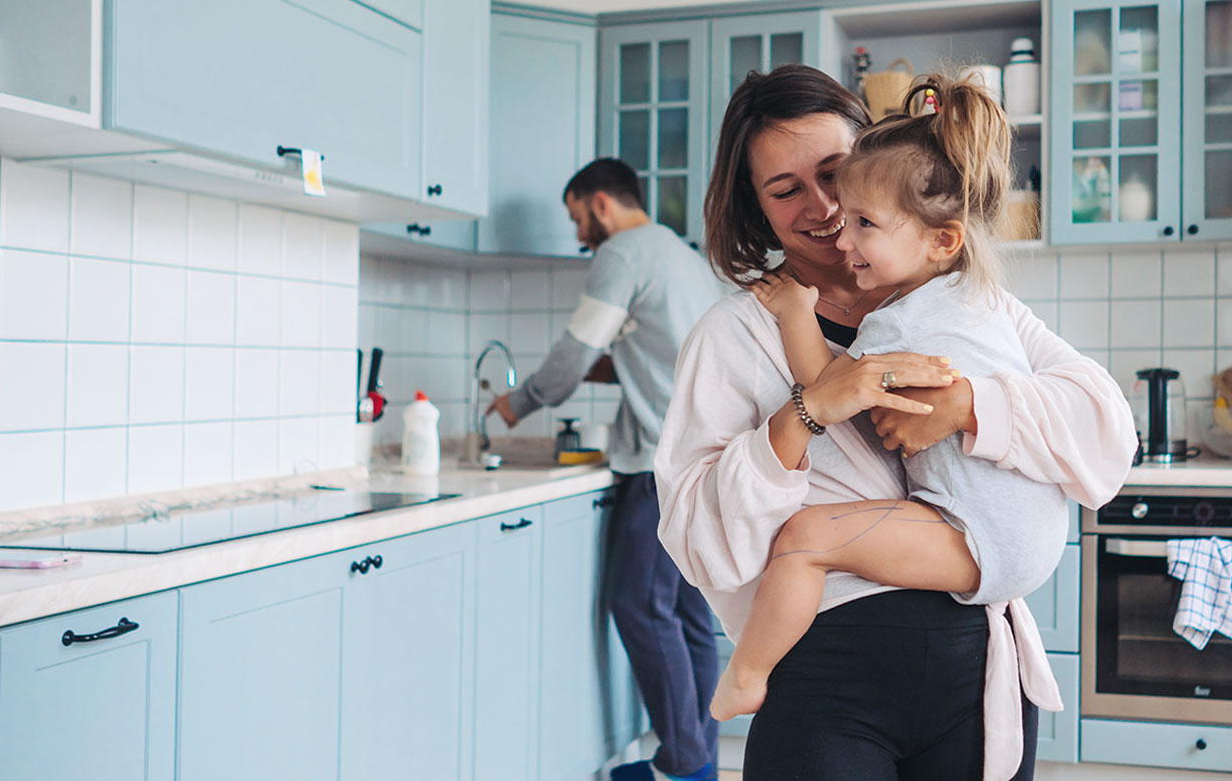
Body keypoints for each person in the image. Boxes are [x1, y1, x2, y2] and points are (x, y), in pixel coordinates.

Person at [654, 65, 1136, 781]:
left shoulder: (973, 304)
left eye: (837, 175)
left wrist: (972, 405)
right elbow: (701, 545)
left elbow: (1107, 432)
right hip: (827, 682)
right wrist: (804, 415)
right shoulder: (734, 337)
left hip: (978, 673)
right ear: (755, 207)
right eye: (785, 190)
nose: (822, 209)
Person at [709, 74, 1074, 726]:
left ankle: (747, 675)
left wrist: (796, 314)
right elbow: (706, 531)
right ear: (754, 204)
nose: (836, 228)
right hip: (1022, 534)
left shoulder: (901, 320)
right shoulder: (969, 300)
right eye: (788, 190)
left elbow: (829, 383)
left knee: (804, 539)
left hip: (987, 537)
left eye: (861, 219)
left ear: (941, 240)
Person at [485, 157, 726, 781]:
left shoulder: (623, 252)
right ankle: (697, 755)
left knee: (640, 605)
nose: (577, 235)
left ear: (598, 204)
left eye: (576, 218)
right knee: (692, 616)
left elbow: (576, 349)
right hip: (706, 460)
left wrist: (522, 400)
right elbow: (648, 356)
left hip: (657, 464)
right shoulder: (681, 256)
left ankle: (682, 764)